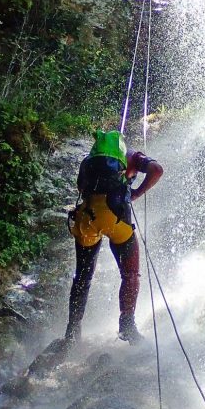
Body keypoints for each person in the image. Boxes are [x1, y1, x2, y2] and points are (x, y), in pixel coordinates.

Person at [65, 130, 163, 346]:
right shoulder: (132, 156)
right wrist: (135, 192)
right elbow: (157, 170)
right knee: (130, 274)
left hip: (87, 218)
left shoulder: (87, 161)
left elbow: (81, 187)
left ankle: (72, 331)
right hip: (115, 218)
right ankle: (127, 325)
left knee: (82, 277)